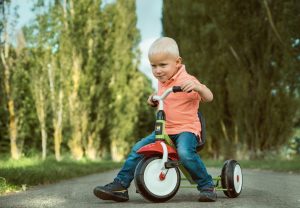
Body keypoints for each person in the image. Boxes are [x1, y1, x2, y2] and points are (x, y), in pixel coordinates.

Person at [93, 37, 216, 202]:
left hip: (186, 130)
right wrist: (153, 99)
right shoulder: (162, 81)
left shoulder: (188, 81)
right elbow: (161, 98)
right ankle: (121, 186)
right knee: (138, 149)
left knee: (185, 153)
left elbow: (209, 97)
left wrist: (199, 87)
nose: (157, 70)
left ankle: (207, 185)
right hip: (164, 131)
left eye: (162, 65)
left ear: (177, 62)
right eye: (153, 66)